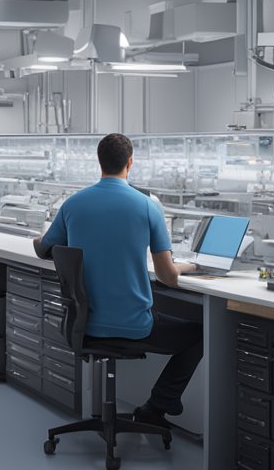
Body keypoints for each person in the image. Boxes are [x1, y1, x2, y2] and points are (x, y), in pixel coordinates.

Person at [33, 133, 203, 428]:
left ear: (99, 163)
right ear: (130, 163)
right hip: (134, 326)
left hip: (82, 325)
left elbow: (44, 248)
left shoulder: (73, 204)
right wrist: (189, 266)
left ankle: (146, 407)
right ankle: (158, 405)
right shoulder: (148, 207)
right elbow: (167, 276)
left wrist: (40, 237)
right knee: (200, 335)